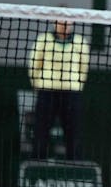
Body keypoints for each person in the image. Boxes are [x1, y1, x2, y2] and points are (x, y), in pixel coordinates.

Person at [28, 16, 91, 160]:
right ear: (55, 22)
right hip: (47, 92)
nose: (65, 25)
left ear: (72, 23)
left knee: (74, 134)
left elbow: (84, 68)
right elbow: (34, 65)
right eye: (61, 21)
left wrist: (75, 85)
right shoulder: (43, 40)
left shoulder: (80, 42)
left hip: (71, 94)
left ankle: (74, 169)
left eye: (68, 21)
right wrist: (39, 84)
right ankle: (38, 166)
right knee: (41, 133)